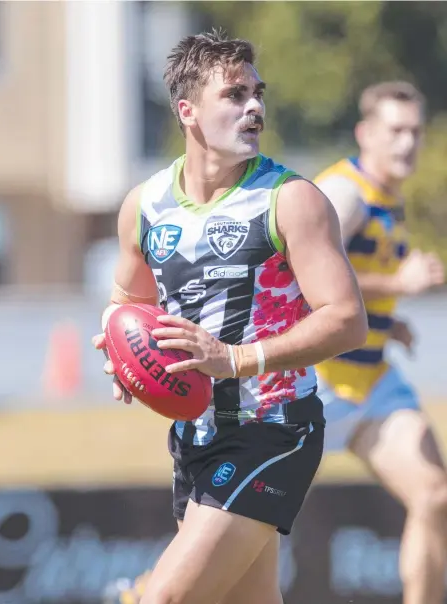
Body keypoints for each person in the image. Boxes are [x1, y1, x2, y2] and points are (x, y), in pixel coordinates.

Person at [93, 29, 367, 604]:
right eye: (235, 95)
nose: (255, 108)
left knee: (161, 599)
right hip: (195, 437)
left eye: (257, 92)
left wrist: (237, 360)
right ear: (187, 111)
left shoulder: (290, 199)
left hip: (273, 429)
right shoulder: (144, 206)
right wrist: (119, 351)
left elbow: (346, 319)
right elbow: (128, 305)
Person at [314, 81, 447, 604]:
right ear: (365, 133)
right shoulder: (345, 193)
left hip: (372, 383)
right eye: (395, 131)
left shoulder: (390, 196)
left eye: (415, 131)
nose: (407, 143)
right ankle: (151, 593)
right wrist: (399, 286)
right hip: (315, 385)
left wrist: (389, 322)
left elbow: (353, 280)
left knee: (435, 494)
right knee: (247, 524)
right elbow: (306, 275)